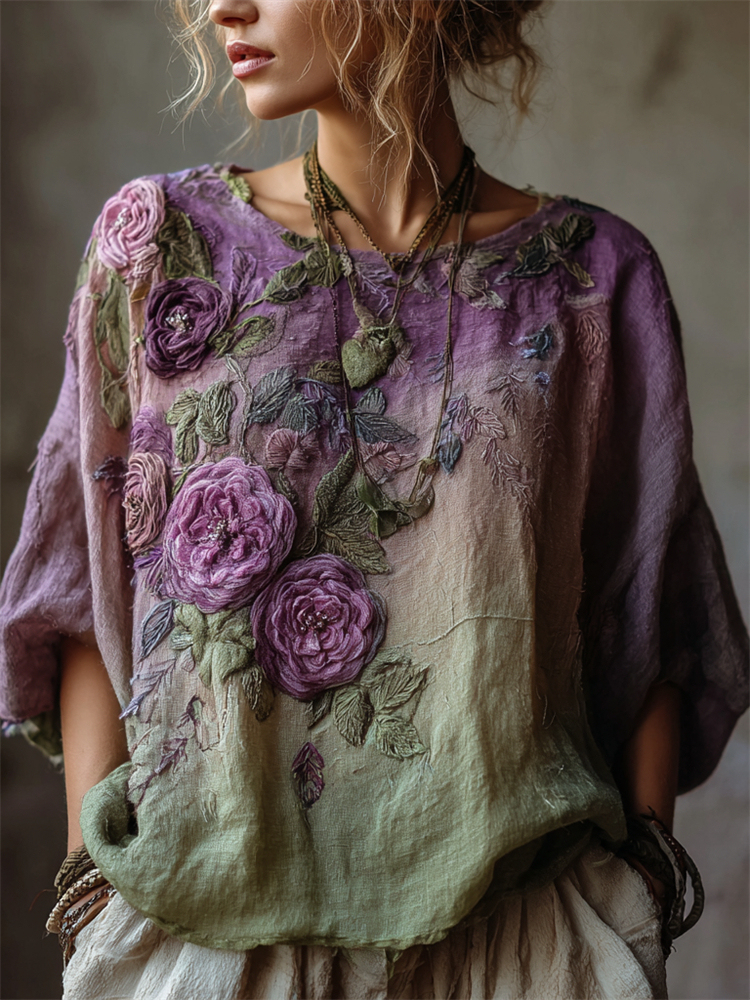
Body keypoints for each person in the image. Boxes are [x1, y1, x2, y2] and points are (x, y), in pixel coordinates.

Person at [1, 1, 747, 998]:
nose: (223, 8)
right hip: (205, 940)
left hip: (522, 950)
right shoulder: (159, 249)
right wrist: (94, 907)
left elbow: (654, 613)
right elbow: (78, 585)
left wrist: (637, 907)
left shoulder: (591, 281)